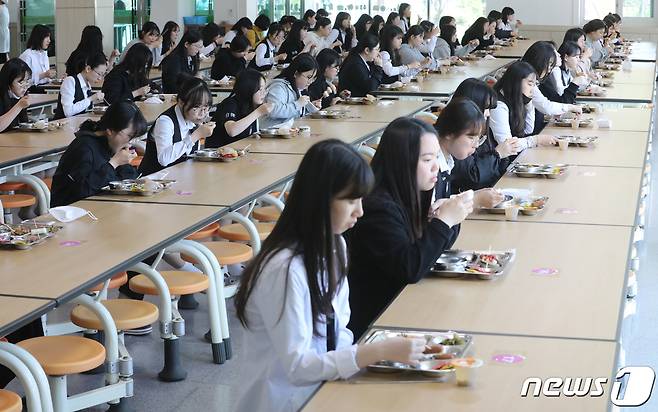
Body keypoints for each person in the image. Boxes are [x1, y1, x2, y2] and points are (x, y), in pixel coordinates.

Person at [233, 139, 426, 412]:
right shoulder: (284, 270)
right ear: (320, 199)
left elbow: (339, 330)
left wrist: (359, 363)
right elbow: (298, 367)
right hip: (283, 401)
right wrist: (374, 352)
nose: (360, 211)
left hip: (324, 388)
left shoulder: (336, 245)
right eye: (350, 200)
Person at [347, 110, 480, 338]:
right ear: (402, 162)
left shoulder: (410, 192)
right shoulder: (377, 206)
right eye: (427, 160)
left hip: (401, 304)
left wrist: (446, 218)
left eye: (436, 158)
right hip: (374, 321)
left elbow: (438, 249)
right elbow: (410, 268)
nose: (436, 167)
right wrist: (442, 221)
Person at [50, 100, 147, 207]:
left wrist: (125, 166)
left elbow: (126, 180)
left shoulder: (111, 143)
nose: (130, 142)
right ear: (110, 130)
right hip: (71, 210)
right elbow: (81, 191)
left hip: (100, 206)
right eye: (130, 136)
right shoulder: (83, 148)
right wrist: (113, 163)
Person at [450, 78, 518, 191]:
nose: (487, 113)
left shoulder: (482, 129)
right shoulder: (457, 135)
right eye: (485, 108)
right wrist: (498, 154)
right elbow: (472, 177)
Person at [138, 77, 216, 176]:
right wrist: (196, 135)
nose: (202, 113)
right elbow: (163, 159)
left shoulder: (194, 120)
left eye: (206, 107)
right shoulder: (165, 121)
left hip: (180, 176)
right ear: (181, 102)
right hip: (155, 180)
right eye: (196, 107)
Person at [490, 61, 557, 152]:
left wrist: (528, 105)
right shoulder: (498, 106)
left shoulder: (515, 98)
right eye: (530, 84)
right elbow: (508, 145)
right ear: (516, 82)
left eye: (534, 85)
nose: (532, 90)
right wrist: (536, 140)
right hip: (502, 162)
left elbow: (528, 130)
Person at [521, 41, 582, 132]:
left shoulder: (536, 78)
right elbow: (546, 106)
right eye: (549, 65)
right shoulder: (527, 81)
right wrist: (570, 107)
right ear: (540, 62)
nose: (549, 70)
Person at [206, 69, 272, 148]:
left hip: (238, 151)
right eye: (260, 89)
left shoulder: (251, 105)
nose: (263, 93)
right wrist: (258, 112)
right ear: (248, 89)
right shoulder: (230, 103)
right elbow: (232, 130)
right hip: (218, 152)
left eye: (264, 88)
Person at [261, 53, 319, 129]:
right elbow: (273, 111)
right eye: (308, 77)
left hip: (286, 132)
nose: (310, 81)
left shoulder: (296, 88)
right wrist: (298, 104)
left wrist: (308, 107)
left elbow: (294, 113)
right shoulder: (278, 86)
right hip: (271, 133)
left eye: (313, 78)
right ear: (296, 73)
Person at [54, 52, 106, 119]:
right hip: (63, 125)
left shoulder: (88, 85)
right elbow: (68, 112)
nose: (100, 78)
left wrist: (96, 101)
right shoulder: (70, 81)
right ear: (88, 69)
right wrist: (91, 98)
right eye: (99, 74)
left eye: (103, 75)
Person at [338, 33, 383, 97]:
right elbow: (370, 88)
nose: (378, 53)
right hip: (351, 103)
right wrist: (378, 68)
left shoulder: (362, 61)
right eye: (376, 49)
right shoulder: (356, 64)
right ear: (367, 50)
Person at [19, 24, 55, 92]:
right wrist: (44, 75)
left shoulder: (44, 54)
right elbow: (23, 81)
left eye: (49, 37)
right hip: (31, 91)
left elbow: (46, 79)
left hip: (45, 88)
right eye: (46, 37)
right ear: (39, 38)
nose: (49, 40)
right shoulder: (27, 55)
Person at [0, 58, 30, 133]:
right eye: (20, 82)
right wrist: (19, 106)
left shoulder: (18, 96)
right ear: (8, 81)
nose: (25, 86)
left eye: (26, 81)